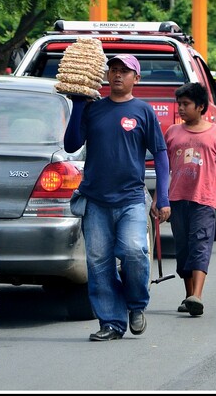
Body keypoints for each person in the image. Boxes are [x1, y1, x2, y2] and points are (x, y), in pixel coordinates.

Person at [64, 54, 171, 341]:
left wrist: (163, 198)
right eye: (113, 70)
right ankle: (111, 322)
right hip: (95, 200)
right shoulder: (93, 109)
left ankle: (136, 305)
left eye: (125, 71)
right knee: (99, 262)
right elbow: (71, 144)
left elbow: (160, 155)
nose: (117, 75)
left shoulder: (143, 111)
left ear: (136, 78)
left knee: (135, 252)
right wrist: (77, 106)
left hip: (132, 199)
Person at [163, 82, 216, 317]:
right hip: (177, 198)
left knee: (200, 245)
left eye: (186, 104)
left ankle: (198, 295)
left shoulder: (215, 133)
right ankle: (189, 296)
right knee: (183, 248)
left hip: (204, 199)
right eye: (179, 104)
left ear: (201, 106)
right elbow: (164, 167)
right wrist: (160, 197)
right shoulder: (173, 132)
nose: (181, 109)